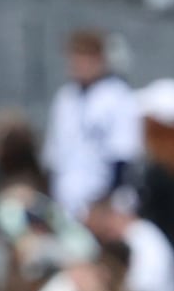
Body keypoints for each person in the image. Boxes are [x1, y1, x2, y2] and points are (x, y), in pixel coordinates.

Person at [42, 30, 140, 220]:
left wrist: (105, 204)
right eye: (75, 57)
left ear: (100, 60)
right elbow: (53, 158)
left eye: (85, 57)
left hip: (104, 205)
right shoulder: (65, 98)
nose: (78, 64)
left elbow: (122, 157)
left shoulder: (118, 96)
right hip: (65, 201)